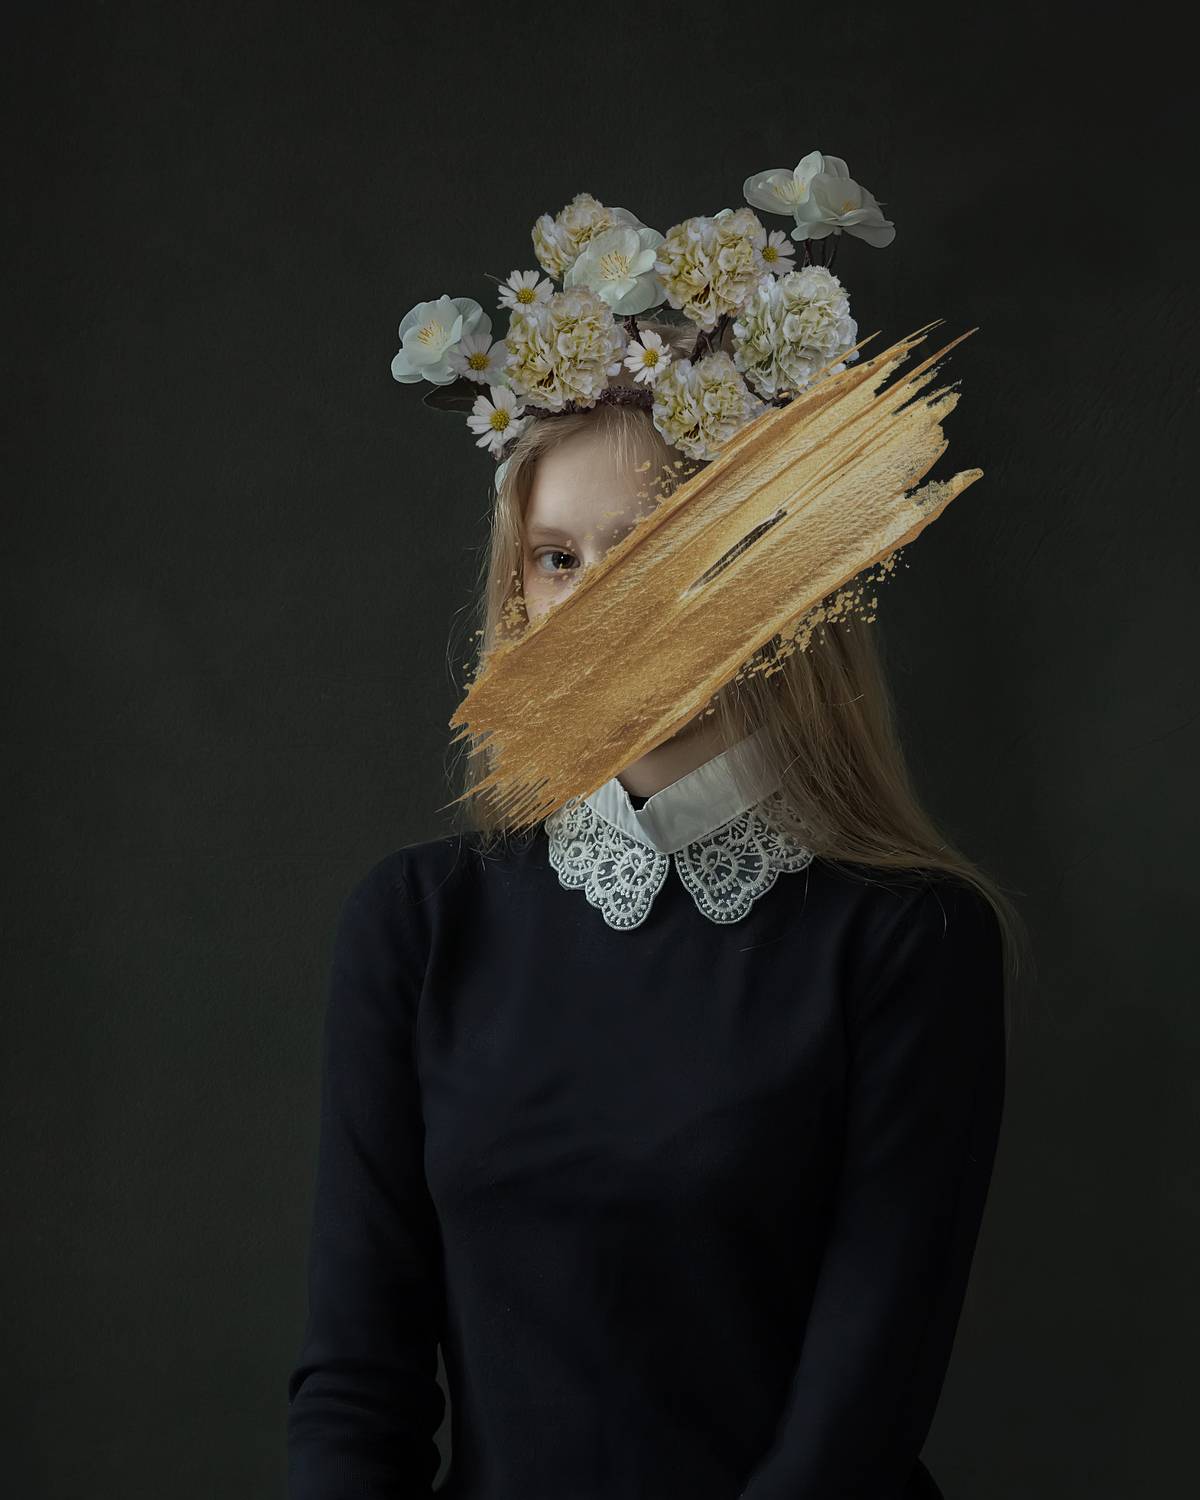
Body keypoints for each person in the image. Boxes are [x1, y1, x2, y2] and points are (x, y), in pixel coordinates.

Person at [284, 338, 1030, 1496]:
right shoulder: (418, 923)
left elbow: (852, 1428)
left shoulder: (907, 941)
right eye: (557, 560)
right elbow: (355, 1390)